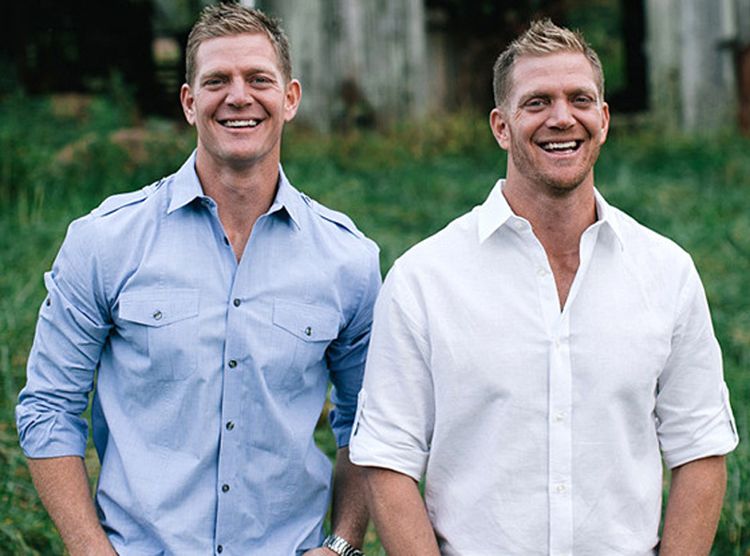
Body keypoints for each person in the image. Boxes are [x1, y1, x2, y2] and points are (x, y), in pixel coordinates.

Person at [349, 19, 738, 556]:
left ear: (603, 120)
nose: (562, 117)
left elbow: (700, 449)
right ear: (501, 126)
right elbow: (388, 458)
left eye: (580, 99)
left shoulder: (666, 272)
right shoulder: (424, 278)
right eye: (536, 102)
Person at [16, 4, 380, 555]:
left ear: (290, 98)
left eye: (258, 79)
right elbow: (49, 407)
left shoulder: (347, 260)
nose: (238, 96)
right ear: (189, 102)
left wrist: (342, 544)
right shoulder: (105, 242)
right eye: (216, 81)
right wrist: (89, 548)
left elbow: (369, 423)